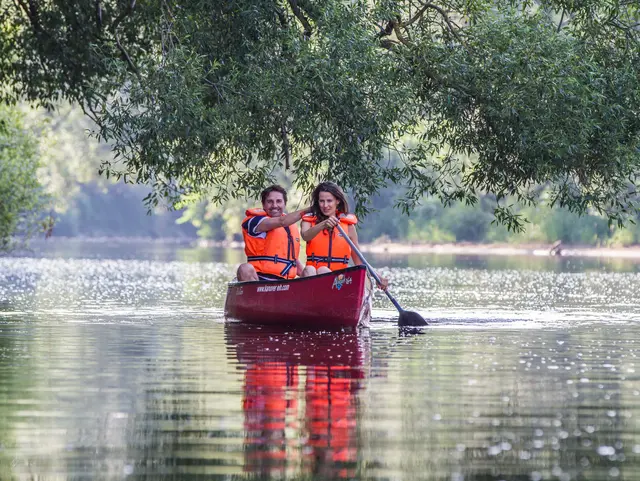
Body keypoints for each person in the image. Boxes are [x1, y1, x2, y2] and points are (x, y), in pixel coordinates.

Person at [300, 181, 388, 289]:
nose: (325, 205)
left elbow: (359, 260)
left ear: (337, 201)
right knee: (311, 269)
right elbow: (305, 236)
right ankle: (314, 300)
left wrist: (377, 277)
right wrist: (322, 225)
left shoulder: (348, 226)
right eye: (321, 201)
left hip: (339, 281)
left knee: (325, 271)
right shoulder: (309, 221)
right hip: (313, 278)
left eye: (329, 201)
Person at [237, 185, 311, 282]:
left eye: (279, 201)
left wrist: (310, 278)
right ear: (263, 204)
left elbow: (293, 260)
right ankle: (255, 296)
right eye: (270, 201)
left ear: (285, 204)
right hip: (259, 280)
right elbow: (282, 221)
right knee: (244, 268)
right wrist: (311, 209)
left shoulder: (290, 227)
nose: (275, 205)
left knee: (309, 270)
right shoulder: (255, 221)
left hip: (286, 283)